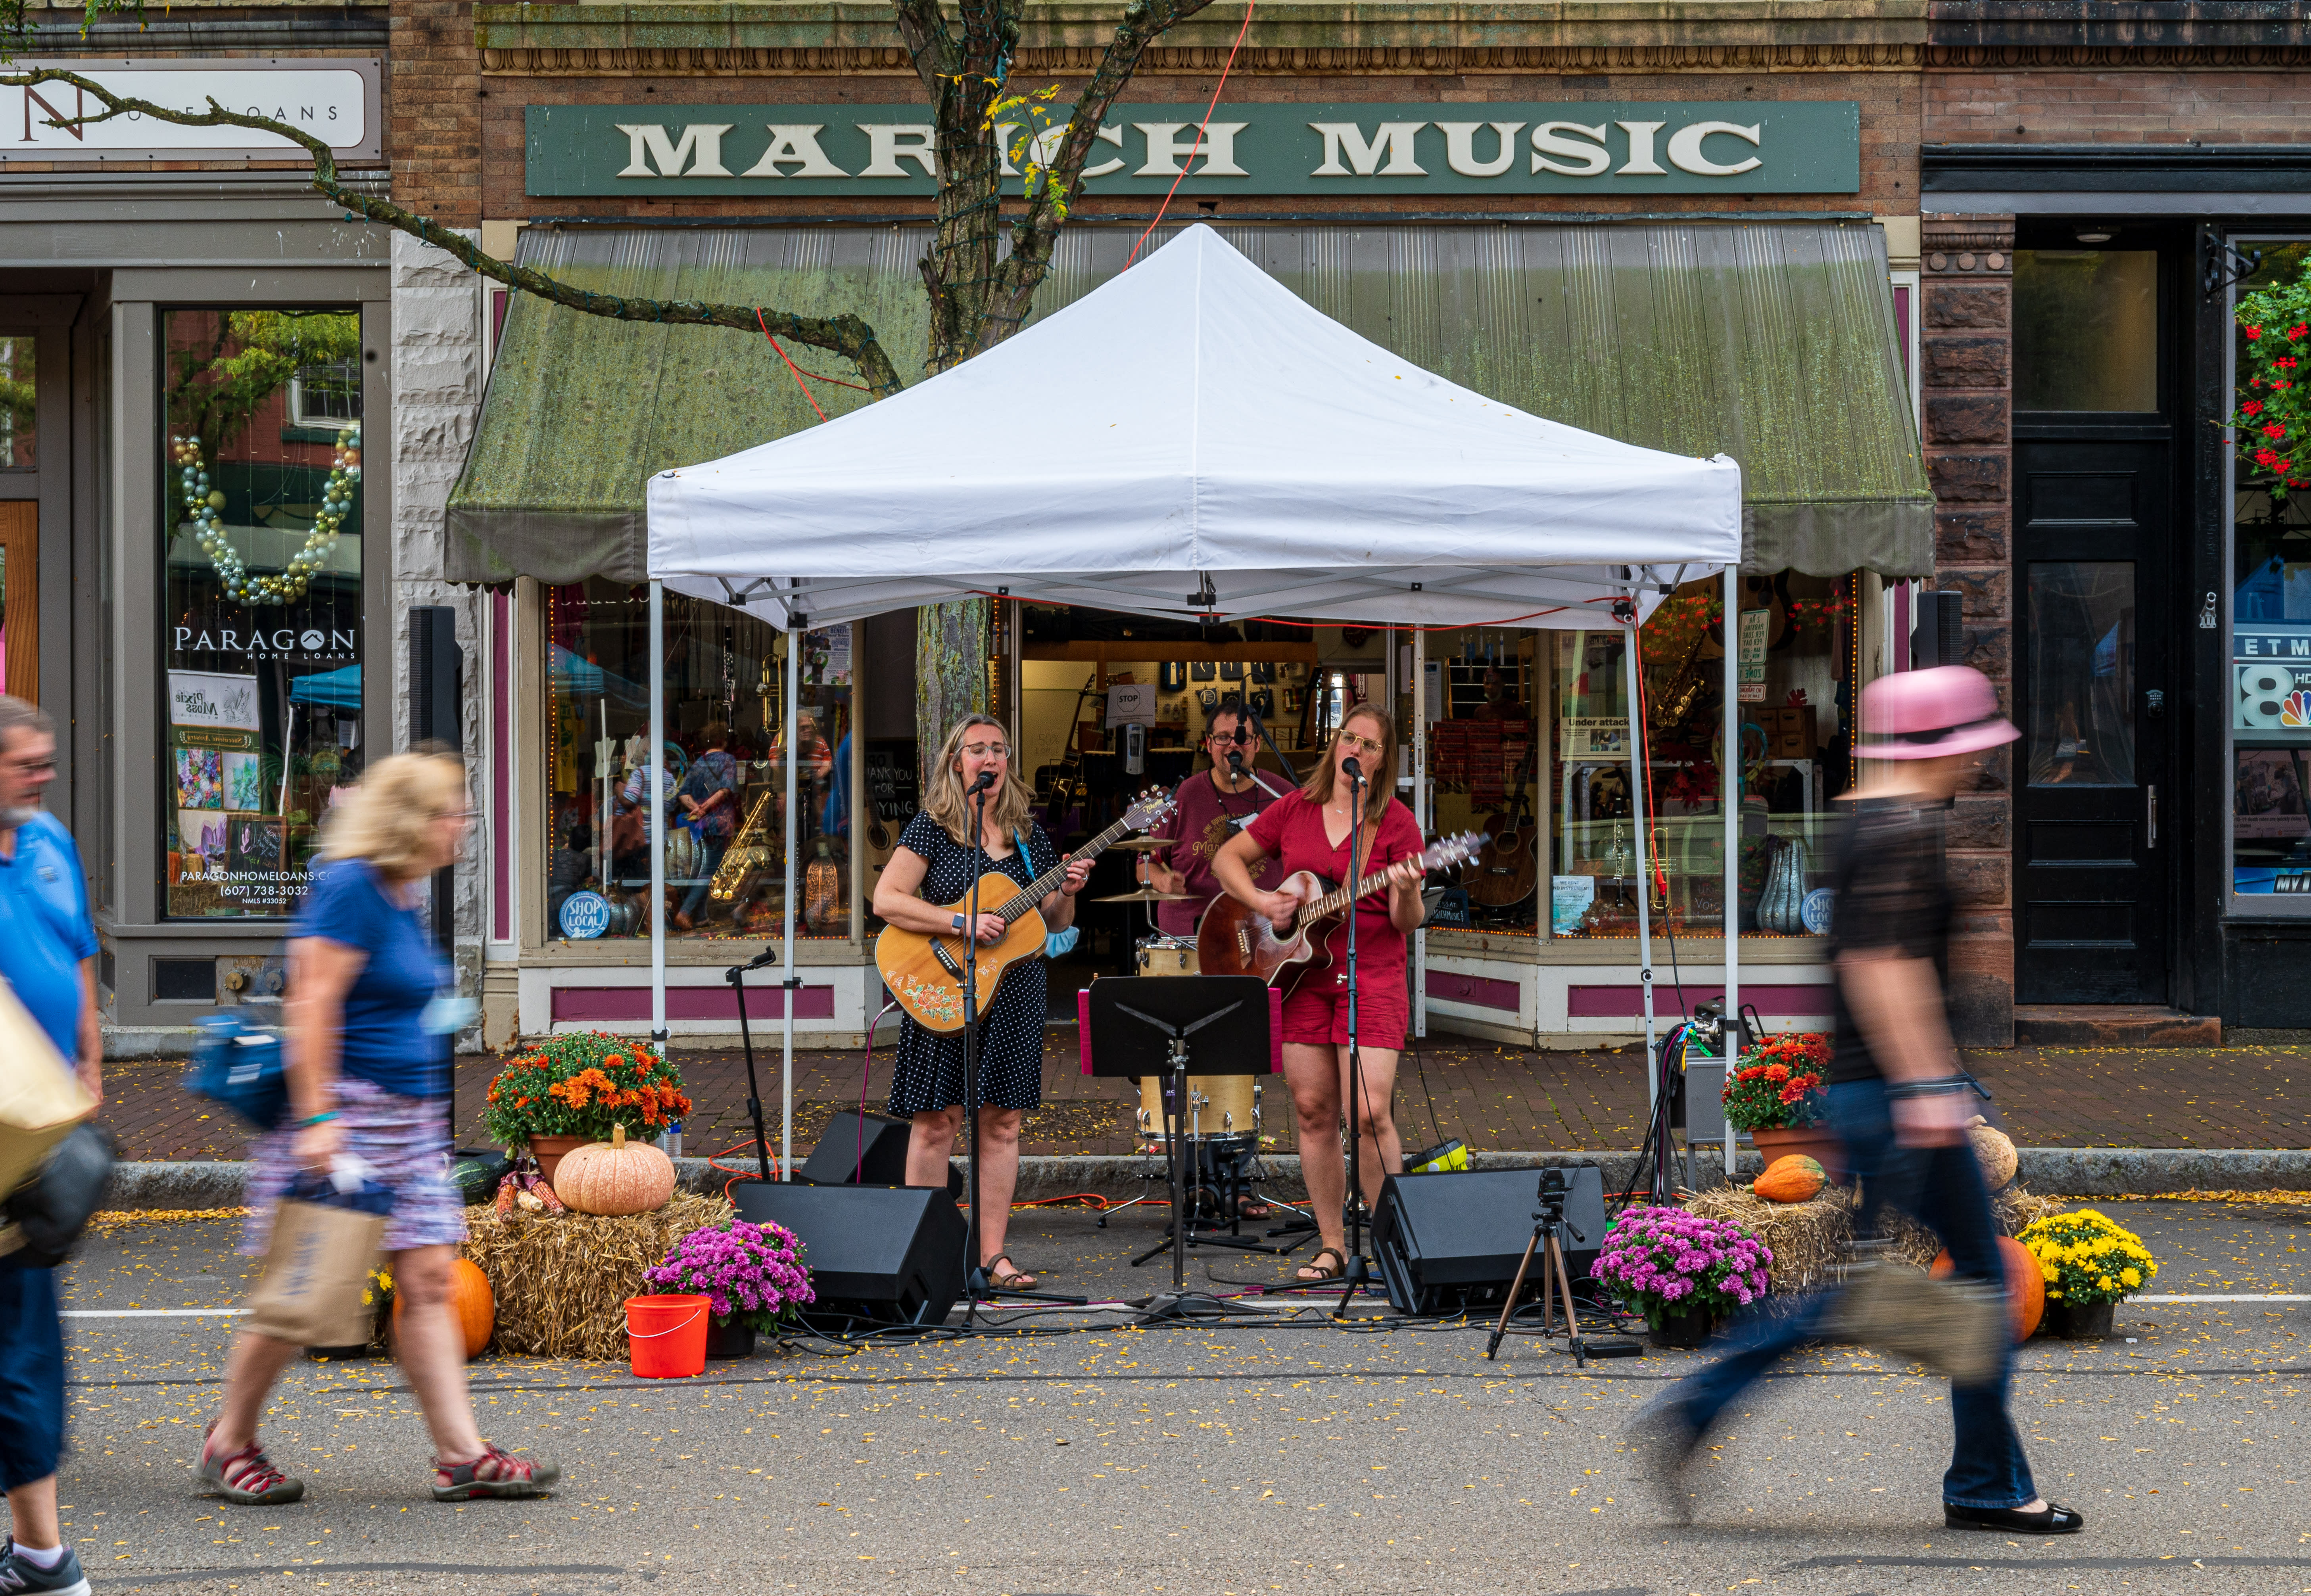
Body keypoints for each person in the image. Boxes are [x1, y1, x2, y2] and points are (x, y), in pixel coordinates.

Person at [1630, 666, 2084, 1536]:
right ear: (1935, 747)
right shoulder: (1899, 832)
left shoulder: (1858, 821)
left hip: (1870, 1093)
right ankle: (1987, 1486)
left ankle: (1700, 1404)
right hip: (1895, 1096)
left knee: (1861, 1291)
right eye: (1970, 743)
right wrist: (1929, 1085)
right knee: (1982, 1281)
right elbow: (1884, 968)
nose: (1977, 761)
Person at [204, 749, 557, 1508]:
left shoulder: (400, 890)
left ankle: (462, 1453)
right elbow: (312, 1004)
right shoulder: (350, 887)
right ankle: (229, 1439)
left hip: (404, 1123)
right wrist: (321, 1120)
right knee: (302, 1294)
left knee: (428, 1281)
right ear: (411, 820)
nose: (462, 825)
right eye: (451, 812)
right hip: (348, 1116)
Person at [870, 715, 1090, 1291]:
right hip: (943, 989)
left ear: (1007, 763)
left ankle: (993, 1256)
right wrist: (958, 921)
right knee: (935, 1121)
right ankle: (922, 1253)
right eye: (977, 750)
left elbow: (1052, 928)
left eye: (998, 749)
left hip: (1015, 990)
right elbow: (886, 900)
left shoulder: (1029, 836)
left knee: (1002, 1122)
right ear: (956, 762)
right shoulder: (933, 829)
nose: (988, 758)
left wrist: (1065, 893)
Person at [1210, 704, 1427, 1284]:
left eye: (1370, 745)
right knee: (1312, 1113)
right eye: (1348, 738)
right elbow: (1228, 859)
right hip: (1302, 976)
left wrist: (1404, 890)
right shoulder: (1294, 810)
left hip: (1372, 976)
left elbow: (1408, 921)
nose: (1356, 750)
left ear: (1383, 761)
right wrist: (1263, 904)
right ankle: (1331, 1245)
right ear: (1336, 744)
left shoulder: (1397, 824)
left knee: (1369, 1112)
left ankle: (1393, 1245)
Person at [0, 696, 100, 1596]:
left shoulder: (45, 840)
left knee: (25, 1336)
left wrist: (91, 1070)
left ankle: (40, 1553)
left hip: (30, 1139)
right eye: (26, 763)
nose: (44, 775)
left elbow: (76, 955)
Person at [1140, 702, 1288, 940]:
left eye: (1243, 737)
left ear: (1258, 744)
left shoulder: (1284, 796)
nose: (1233, 744)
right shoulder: (1185, 795)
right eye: (1223, 737)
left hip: (1264, 941)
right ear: (1209, 744)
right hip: (1189, 943)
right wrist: (1162, 881)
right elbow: (1144, 863)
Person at [673, 724, 739, 931]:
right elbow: (725, 790)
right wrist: (707, 808)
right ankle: (684, 912)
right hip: (720, 823)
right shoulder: (728, 760)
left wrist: (697, 809)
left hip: (700, 825)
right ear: (723, 741)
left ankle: (700, 917)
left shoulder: (699, 764)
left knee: (704, 866)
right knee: (710, 870)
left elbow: (683, 793)